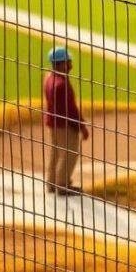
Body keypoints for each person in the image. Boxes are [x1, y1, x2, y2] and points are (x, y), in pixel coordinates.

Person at [42, 46, 89, 195]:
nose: (70, 65)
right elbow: (71, 109)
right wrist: (81, 126)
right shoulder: (62, 84)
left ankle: (51, 184)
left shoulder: (48, 77)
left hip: (53, 123)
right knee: (69, 154)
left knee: (55, 153)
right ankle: (62, 186)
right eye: (68, 62)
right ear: (61, 63)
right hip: (65, 125)